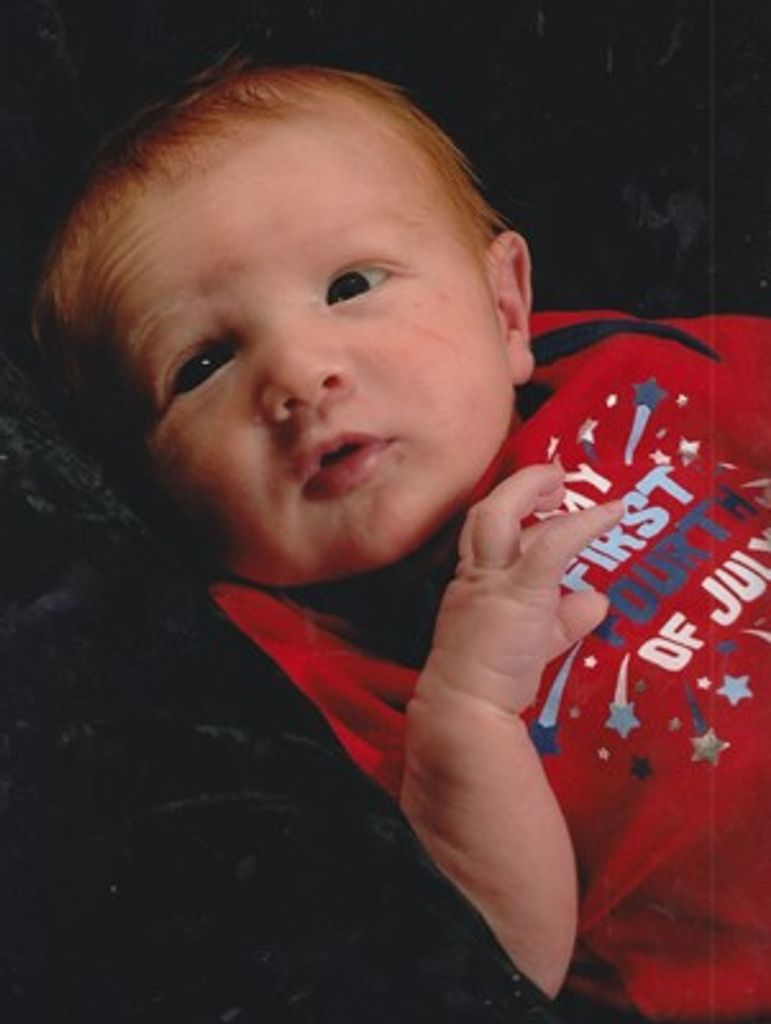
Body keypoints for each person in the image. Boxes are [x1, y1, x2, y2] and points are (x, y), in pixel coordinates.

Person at [32, 60, 770, 1021]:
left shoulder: (627, 367)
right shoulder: (284, 665)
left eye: (349, 286)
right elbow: (501, 961)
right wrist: (470, 706)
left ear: (506, 311)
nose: (299, 372)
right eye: (203, 363)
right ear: (157, 492)